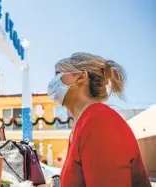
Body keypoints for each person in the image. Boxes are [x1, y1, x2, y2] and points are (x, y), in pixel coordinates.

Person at [47, 52, 151, 187]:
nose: (52, 81)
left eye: (58, 74)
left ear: (81, 77)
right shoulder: (84, 122)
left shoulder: (99, 122)